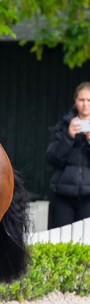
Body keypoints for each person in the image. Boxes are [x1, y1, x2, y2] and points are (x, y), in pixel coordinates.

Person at [46, 82, 90, 229]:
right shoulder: (63, 126)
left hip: (88, 197)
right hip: (62, 196)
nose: (85, 104)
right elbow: (52, 158)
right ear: (75, 101)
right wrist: (69, 136)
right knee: (60, 241)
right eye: (81, 100)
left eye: (89, 100)